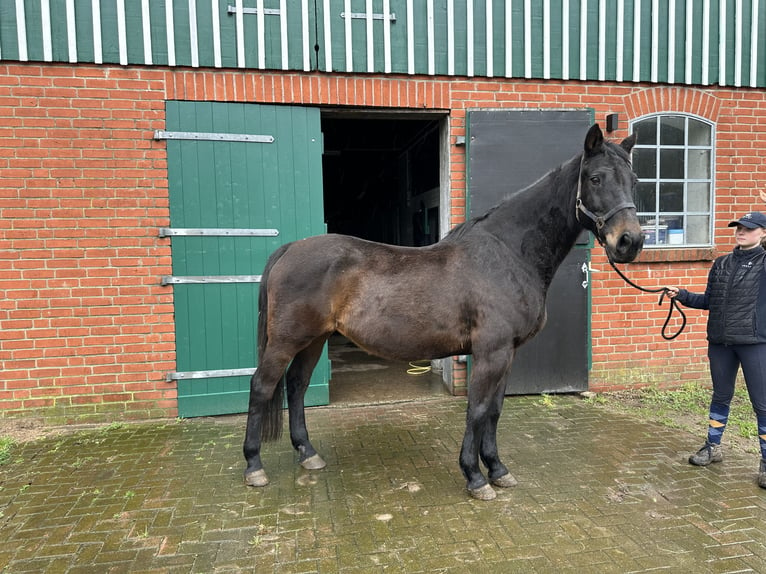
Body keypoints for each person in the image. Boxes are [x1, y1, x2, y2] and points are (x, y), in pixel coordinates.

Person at [667, 211, 766, 488]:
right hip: (720, 342)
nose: (741, 232)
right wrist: (683, 295)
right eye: (738, 227)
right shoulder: (721, 264)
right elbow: (709, 300)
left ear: (762, 233)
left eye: (749, 228)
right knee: (721, 396)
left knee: (762, 404)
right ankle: (712, 447)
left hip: (754, 343)